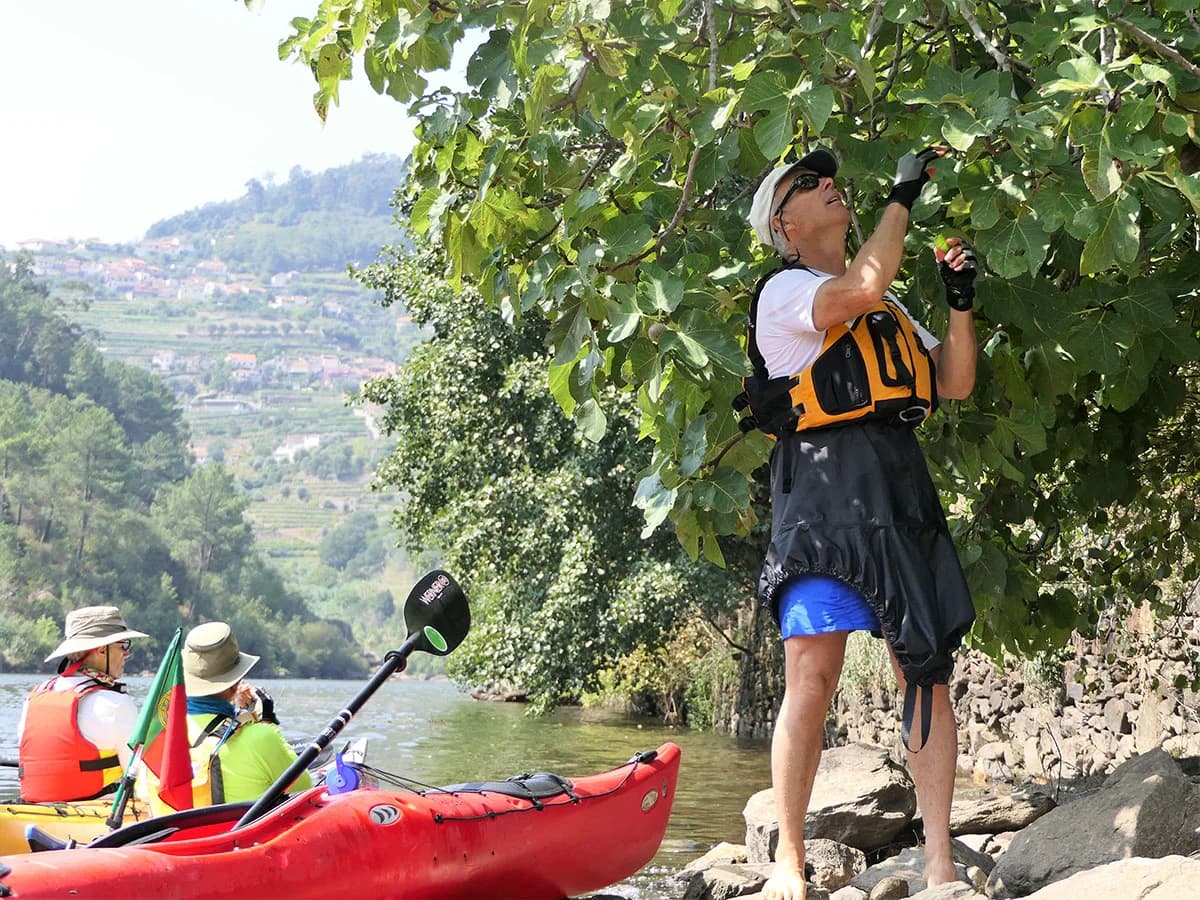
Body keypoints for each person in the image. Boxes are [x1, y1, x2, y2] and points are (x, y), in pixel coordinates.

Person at [739, 146, 979, 900]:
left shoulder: (888, 304)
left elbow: (955, 382)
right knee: (812, 675)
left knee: (925, 673)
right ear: (785, 224)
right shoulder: (785, 293)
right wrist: (902, 195)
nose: (828, 185)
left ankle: (939, 863)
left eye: (827, 177)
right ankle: (789, 860)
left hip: (898, 491)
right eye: (807, 184)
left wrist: (960, 300)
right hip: (820, 500)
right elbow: (865, 282)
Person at [138, 621, 311, 813]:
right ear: (236, 682)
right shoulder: (260, 736)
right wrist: (267, 720)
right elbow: (303, 787)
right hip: (237, 840)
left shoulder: (157, 735)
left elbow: (142, 793)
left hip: (175, 841)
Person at [17, 605, 148, 802]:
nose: (126, 653)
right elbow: (142, 781)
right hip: (101, 821)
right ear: (102, 649)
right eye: (123, 645)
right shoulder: (115, 705)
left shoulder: (34, 698)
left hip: (36, 813)